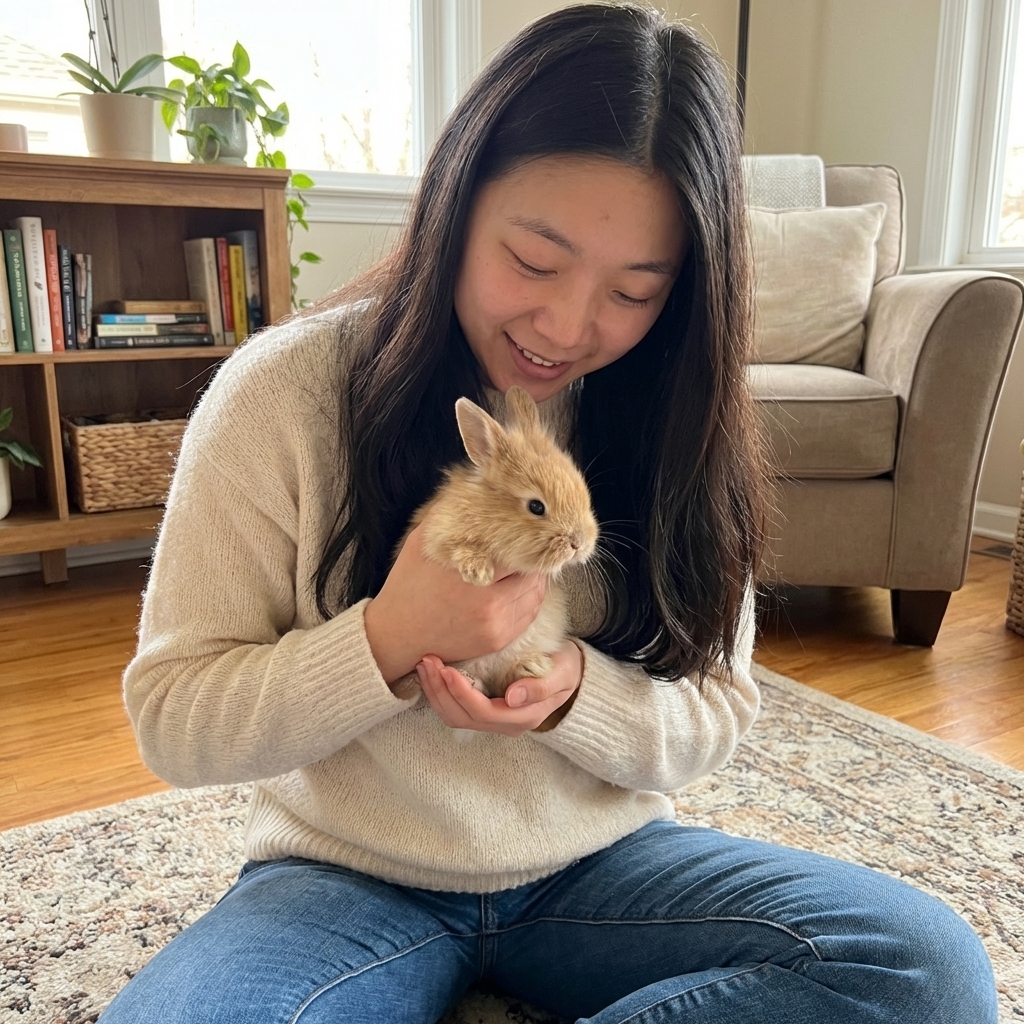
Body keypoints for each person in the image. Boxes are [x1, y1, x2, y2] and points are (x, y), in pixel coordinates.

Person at [101, 5, 997, 1022]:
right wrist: (388, 639)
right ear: (454, 204)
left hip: (603, 869)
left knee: (926, 968)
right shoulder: (285, 394)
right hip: (346, 880)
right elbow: (175, 721)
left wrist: (578, 692)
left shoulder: (677, 416)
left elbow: (716, 708)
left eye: (635, 288)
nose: (568, 326)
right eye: (533, 261)